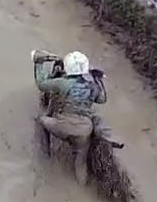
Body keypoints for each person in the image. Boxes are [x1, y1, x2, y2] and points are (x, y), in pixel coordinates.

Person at [32, 50, 109, 186]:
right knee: (80, 163)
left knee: (41, 120)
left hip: (62, 127)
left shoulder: (63, 83)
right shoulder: (93, 85)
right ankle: (81, 189)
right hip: (84, 132)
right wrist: (98, 79)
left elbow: (42, 84)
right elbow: (102, 99)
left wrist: (38, 64)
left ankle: (46, 154)